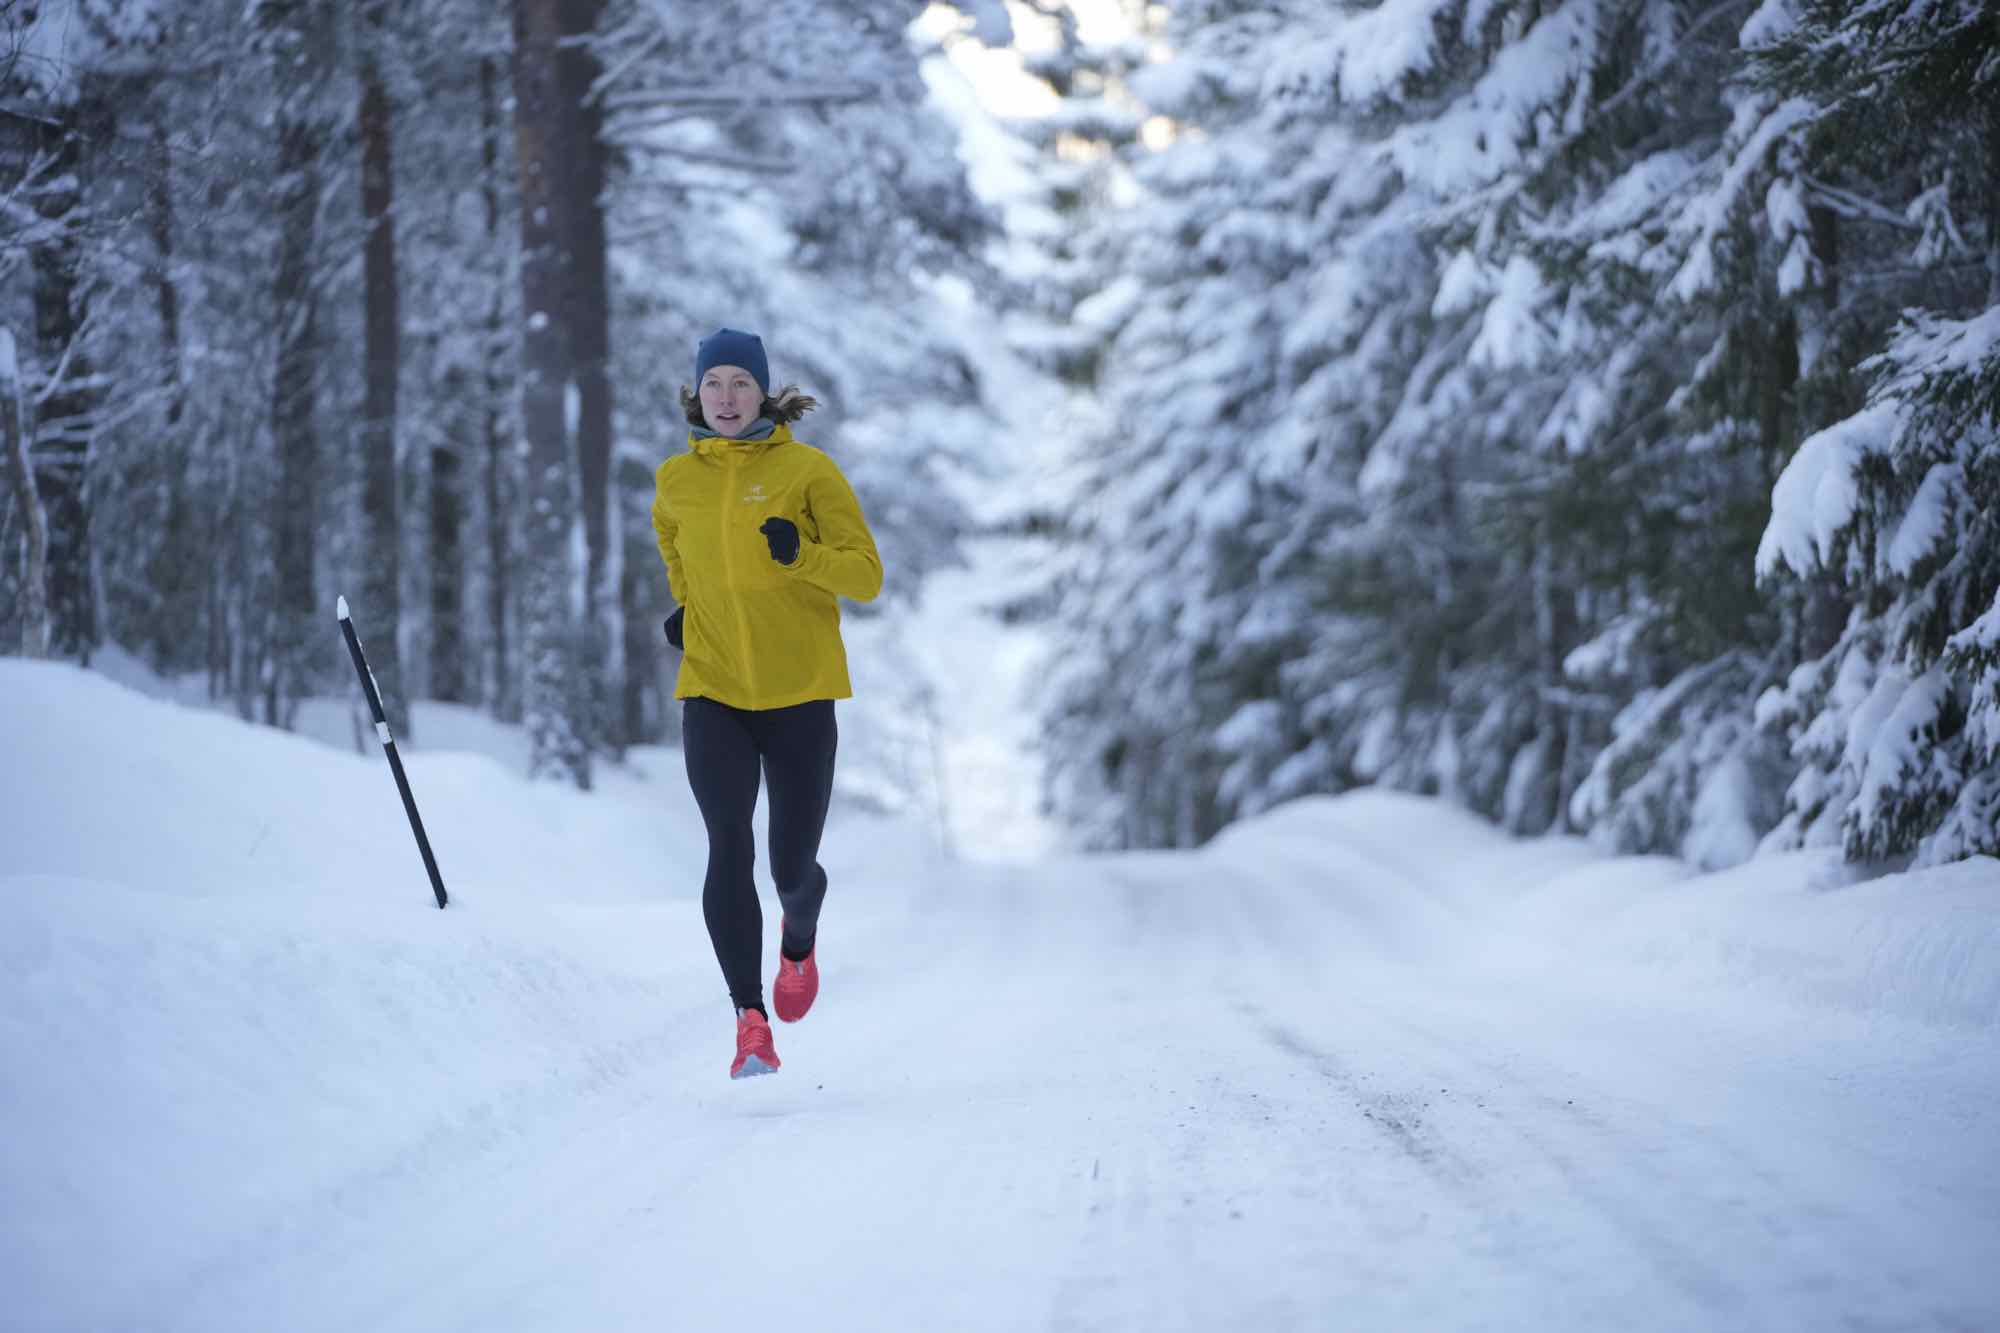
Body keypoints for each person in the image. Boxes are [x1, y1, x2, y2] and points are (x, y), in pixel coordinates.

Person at [651, 328, 884, 1080]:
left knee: (790, 867)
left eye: (740, 384)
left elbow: (866, 575)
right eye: (713, 383)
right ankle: (750, 1021)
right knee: (728, 844)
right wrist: (686, 614)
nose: (725, 397)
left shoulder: (808, 472)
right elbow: (680, 564)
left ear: (763, 393)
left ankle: (799, 936)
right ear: (697, 392)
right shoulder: (674, 482)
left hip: (800, 694)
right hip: (713, 690)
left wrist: (802, 555)